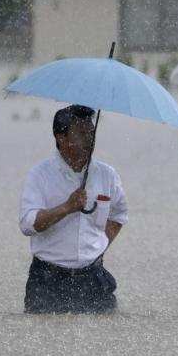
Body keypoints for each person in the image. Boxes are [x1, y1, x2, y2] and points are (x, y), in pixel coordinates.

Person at [18, 104, 128, 313]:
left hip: (93, 277)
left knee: (107, 330)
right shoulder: (39, 175)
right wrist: (66, 208)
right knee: (40, 330)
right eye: (82, 133)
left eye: (91, 131)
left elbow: (119, 215)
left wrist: (98, 247)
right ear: (61, 138)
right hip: (48, 279)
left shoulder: (107, 174)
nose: (90, 138)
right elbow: (27, 224)